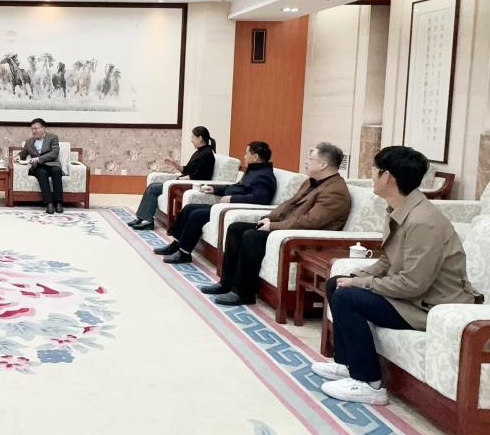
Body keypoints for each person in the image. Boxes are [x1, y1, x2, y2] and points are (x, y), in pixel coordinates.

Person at [311, 146, 480, 405]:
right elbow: (388, 260)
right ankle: (348, 363)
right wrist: (357, 276)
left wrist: (360, 283)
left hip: (429, 306)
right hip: (412, 298)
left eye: (375, 170)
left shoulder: (424, 222)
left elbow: (413, 284)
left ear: (388, 176)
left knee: (347, 298)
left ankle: (370, 383)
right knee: (337, 285)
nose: (372, 175)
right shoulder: (399, 210)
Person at [203, 142, 352, 306]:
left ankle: (244, 293)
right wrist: (269, 218)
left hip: (303, 239)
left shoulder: (335, 191)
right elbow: (288, 204)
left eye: (310, 158)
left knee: (251, 236)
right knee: (236, 228)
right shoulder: (311, 182)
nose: (306, 162)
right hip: (285, 228)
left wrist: (273, 226)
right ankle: (226, 284)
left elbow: (310, 222)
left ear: (323, 164)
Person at [156, 141, 277, 264]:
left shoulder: (264, 175)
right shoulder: (253, 171)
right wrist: (215, 189)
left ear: (255, 157)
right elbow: (236, 187)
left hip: (231, 209)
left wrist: (232, 199)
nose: (244, 156)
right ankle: (176, 244)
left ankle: (184, 253)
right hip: (225, 206)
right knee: (189, 208)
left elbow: (259, 198)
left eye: (246, 153)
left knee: (197, 215)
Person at [129, 126, 217, 230]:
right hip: (182, 182)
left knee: (153, 188)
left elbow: (201, 176)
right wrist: (174, 164)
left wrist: (179, 180)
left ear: (200, 138)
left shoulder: (207, 154)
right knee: (152, 186)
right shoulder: (199, 152)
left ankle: (147, 221)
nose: (191, 140)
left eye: (193, 137)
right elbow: (186, 170)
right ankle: (142, 218)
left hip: (189, 186)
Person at [14, 118, 65, 214]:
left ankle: (59, 202)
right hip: (39, 166)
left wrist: (38, 159)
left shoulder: (53, 137)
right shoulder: (29, 142)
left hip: (52, 163)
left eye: (36, 129)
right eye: (32, 129)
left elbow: (54, 153)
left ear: (43, 128)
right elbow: (23, 153)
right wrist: (18, 156)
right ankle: (49, 203)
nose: (33, 131)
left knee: (56, 171)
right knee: (42, 173)